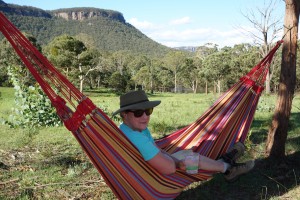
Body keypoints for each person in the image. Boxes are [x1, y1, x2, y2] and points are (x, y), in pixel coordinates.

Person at [113, 90, 254, 181]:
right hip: (149, 177)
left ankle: (225, 164)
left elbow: (156, 149)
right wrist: (179, 163)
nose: (145, 116)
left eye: (148, 111)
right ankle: (228, 167)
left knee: (188, 154)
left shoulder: (130, 129)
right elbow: (168, 169)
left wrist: (173, 158)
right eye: (138, 113)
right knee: (191, 158)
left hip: (146, 166)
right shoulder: (137, 138)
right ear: (124, 114)